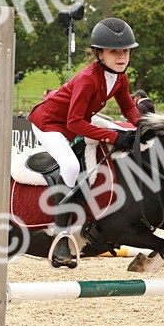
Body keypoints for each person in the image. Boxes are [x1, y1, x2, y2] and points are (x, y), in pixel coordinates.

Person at [28, 17, 141, 268]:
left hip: (76, 121)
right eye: (114, 51)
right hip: (49, 123)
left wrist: (145, 124)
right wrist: (114, 136)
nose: (122, 56)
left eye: (125, 51)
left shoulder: (120, 78)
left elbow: (128, 108)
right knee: (70, 166)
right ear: (99, 54)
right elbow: (74, 124)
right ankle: (60, 239)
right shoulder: (88, 79)